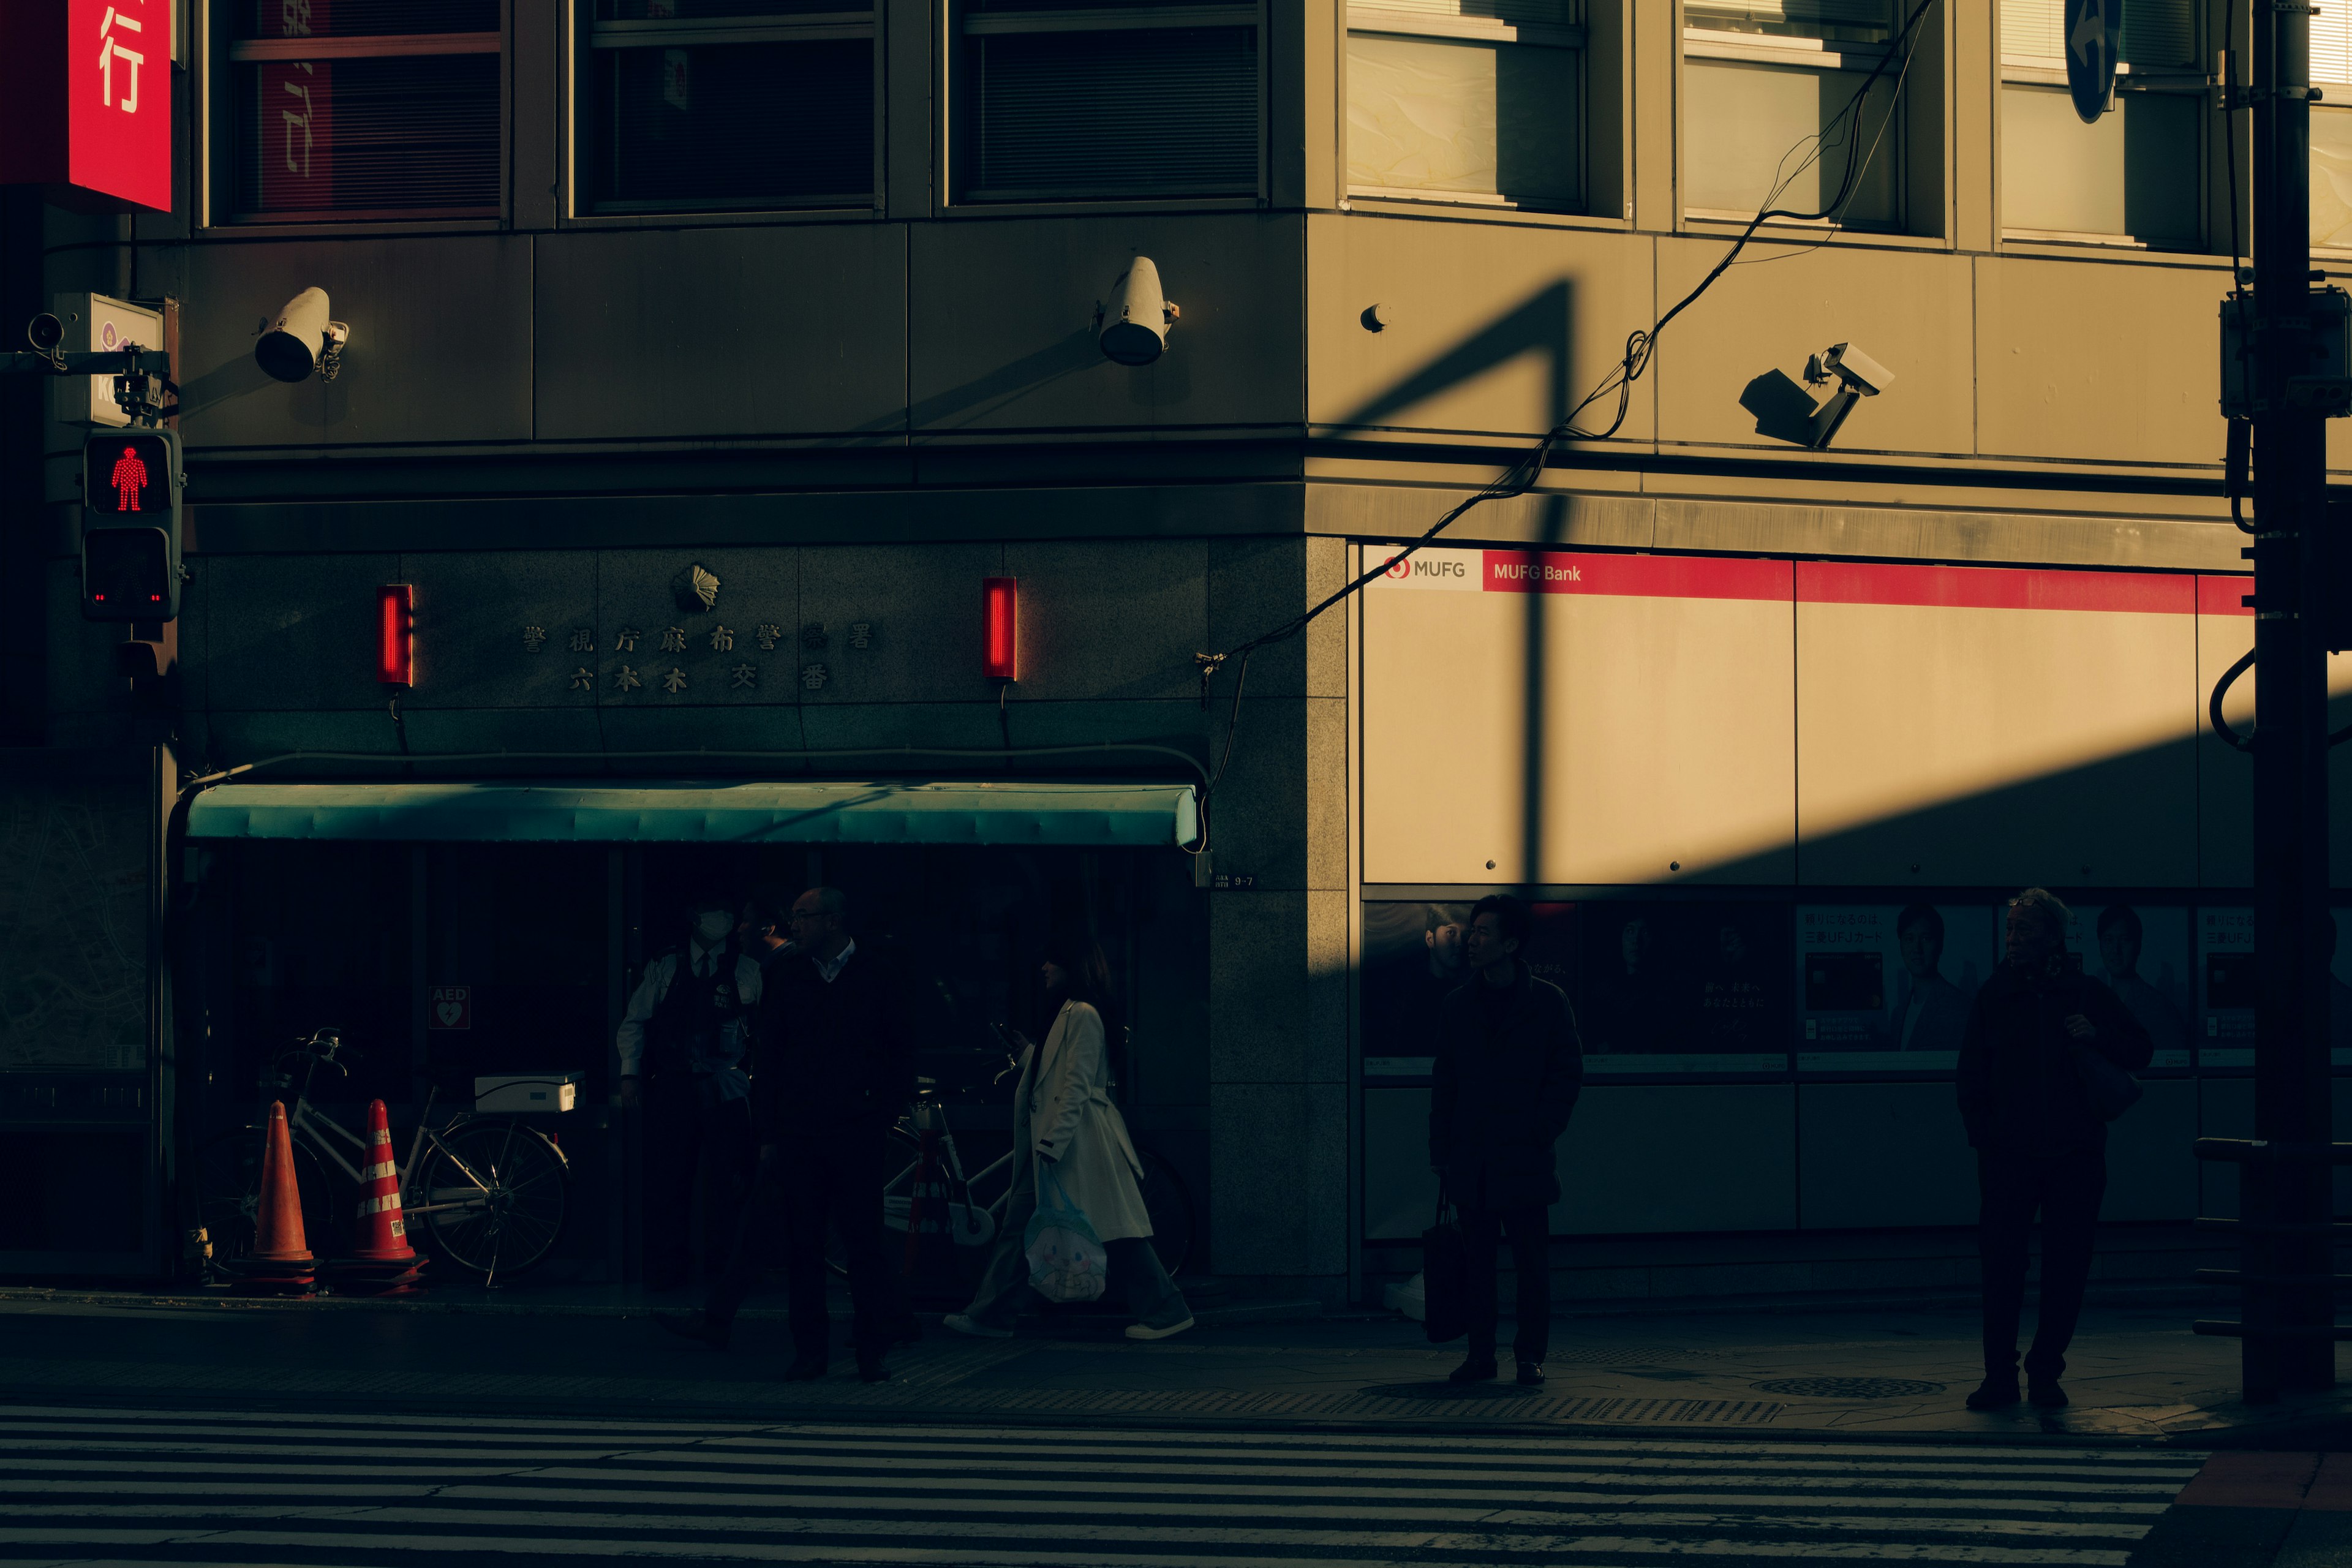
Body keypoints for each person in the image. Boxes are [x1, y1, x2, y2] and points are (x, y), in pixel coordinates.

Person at [660, 886, 914, 1381]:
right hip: (802, 1131)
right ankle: (812, 1350)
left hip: (855, 1130)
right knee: (805, 1246)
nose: (793, 925)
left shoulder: (875, 974)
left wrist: (881, 1114)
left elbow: (900, 1049)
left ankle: (870, 1347)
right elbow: (771, 1056)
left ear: (833, 922)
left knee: (863, 1245)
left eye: (803, 917)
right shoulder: (790, 976)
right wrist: (771, 1131)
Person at [1956, 888, 2152, 1412]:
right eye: (2010, 930)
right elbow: (1970, 1077)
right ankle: (1999, 1377)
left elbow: (2142, 1048)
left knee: (2067, 1269)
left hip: (2075, 1157)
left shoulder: (2084, 992)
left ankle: (2045, 1372)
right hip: (2008, 1159)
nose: (2013, 939)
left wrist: (2098, 1034)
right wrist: (1987, 1138)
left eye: (2024, 930)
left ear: (2052, 938)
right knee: (2001, 1268)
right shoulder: (1994, 996)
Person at [944, 930, 1193, 1341]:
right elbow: (1062, 1073)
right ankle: (991, 1314)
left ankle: (1167, 1310)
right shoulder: (1072, 1012)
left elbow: (1076, 1085)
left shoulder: (1082, 1014)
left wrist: (1051, 1143)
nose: (1044, 968)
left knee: (1115, 1230)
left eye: (1052, 962)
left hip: (1075, 1143)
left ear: (1072, 966)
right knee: (1024, 1227)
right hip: (1058, 1145)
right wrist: (1030, 1055)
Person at [1428, 894, 1584, 1386]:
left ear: (1511, 944)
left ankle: (1529, 1356)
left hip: (1524, 1156)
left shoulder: (1547, 1002)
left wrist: (1540, 1131)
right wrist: (1441, 1153)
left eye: (1483, 933)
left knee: (1531, 1266)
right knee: (1477, 1266)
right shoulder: (1458, 1005)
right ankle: (1481, 1356)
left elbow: (1566, 1074)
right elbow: (1444, 1083)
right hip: (1472, 1157)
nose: (1472, 940)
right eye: (1472, 930)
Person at [614, 893, 762, 1291]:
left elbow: (761, 1031)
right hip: (674, 1086)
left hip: (726, 1085)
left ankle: (726, 1273)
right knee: (668, 1181)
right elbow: (635, 1021)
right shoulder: (666, 965)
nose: (726, 918)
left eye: (730, 912)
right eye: (717, 910)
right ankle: (667, 1271)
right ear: (693, 917)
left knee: (729, 1183)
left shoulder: (747, 969)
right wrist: (630, 1074)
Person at [2093, 905, 2188, 1062]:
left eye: (2124, 940)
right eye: (2108, 940)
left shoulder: (2160, 1009)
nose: (2116, 949)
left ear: (2138, 946)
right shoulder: (2098, 1002)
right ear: (2100, 945)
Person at [1891, 904, 1971, 1054]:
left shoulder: (1960, 1007)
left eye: (1926, 939)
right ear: (1901, 946)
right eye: (1909, 939)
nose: (1917, 948)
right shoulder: (1898, 1013)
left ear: (1940, 945)